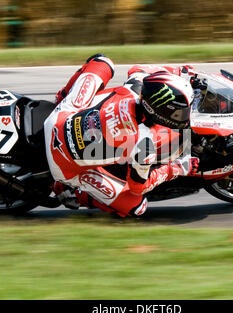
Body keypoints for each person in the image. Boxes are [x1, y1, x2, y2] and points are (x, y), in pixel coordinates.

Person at [44, 54, 199, 217]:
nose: (184, 116)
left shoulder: (135, 87)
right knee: (138, 207)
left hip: (58, 118)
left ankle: (61, 97)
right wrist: (176, 168)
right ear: (160, 111)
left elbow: (139, 69)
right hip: (64, 168)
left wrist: (179, 72)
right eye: (179, 113)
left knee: (102, 62)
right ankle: (74, 193)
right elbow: (138, 187)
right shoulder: (144, 144)